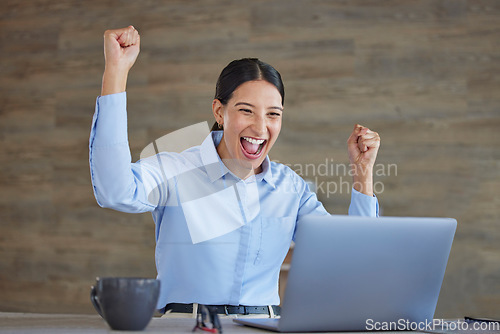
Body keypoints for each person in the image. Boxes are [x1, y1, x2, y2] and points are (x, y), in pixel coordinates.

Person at [89, 26, 381, 318]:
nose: (260, 127)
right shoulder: (174, 170)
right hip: (186, 326)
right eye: (246, 110)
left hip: (263, 325)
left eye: (273, 114)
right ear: (219, 112)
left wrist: (363, 173)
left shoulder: (290, 187)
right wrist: (117, 70)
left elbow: (350, 258)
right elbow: (114, 191)